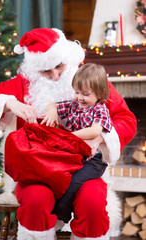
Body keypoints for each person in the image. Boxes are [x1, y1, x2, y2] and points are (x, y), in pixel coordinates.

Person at [0, 28, 136, 240]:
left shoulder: (89, 82)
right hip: (38, 171)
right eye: (46, 71)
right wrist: (10, 103)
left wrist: (100, 136)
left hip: (83, 167)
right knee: (36, 201)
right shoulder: (23, 85)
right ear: (34, 69)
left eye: (59, 66)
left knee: (93, 203)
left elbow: (126, 119)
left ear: (67, 56)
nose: (56, 76)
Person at [41, 62, 112, 223]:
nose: (79, 97)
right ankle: (50, 212)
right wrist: (52, 111)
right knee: (57, 178)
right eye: (77, 92)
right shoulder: (74, 105)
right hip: (74, 158)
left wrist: (71, 136)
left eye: (85, 94)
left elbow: (95, 130)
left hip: (93, 162)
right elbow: (53, 105)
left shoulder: (100, 109)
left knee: (72, 183)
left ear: (100, 93)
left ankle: (61, 217)